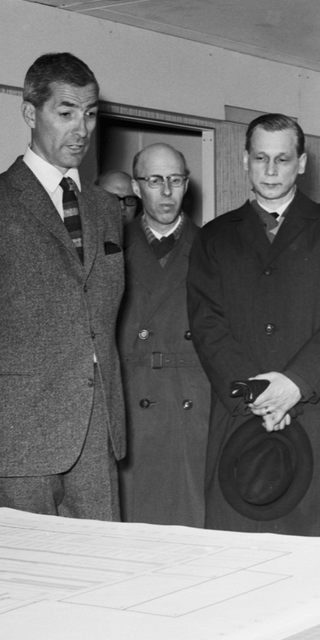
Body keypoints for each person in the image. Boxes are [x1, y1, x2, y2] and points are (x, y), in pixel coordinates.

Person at [0, 53, 126, 519]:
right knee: (18, 563)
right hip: (10, 443)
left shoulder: (105, 208)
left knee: (99, 564)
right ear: (30, 113)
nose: (81, 129)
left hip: (95, 436)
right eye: (66, 112)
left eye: (90, 114)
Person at [187, 113, 320, 538]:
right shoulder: (214, 237)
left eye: (282, 159)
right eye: (260, 158)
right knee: (239, 552)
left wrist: (294, 384)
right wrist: (258, 395)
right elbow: (206, 324)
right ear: (244, 160)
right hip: (243, 414)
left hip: (318, 412)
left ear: (301, 163)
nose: (270, 171)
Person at [115, 144, 210, 527]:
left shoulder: (214, 246)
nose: (167, 191)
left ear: (186, 184)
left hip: (193, 404)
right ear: (137, 188)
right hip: (130, 404)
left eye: (175, 180)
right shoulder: (110, 247)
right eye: (155, 181)